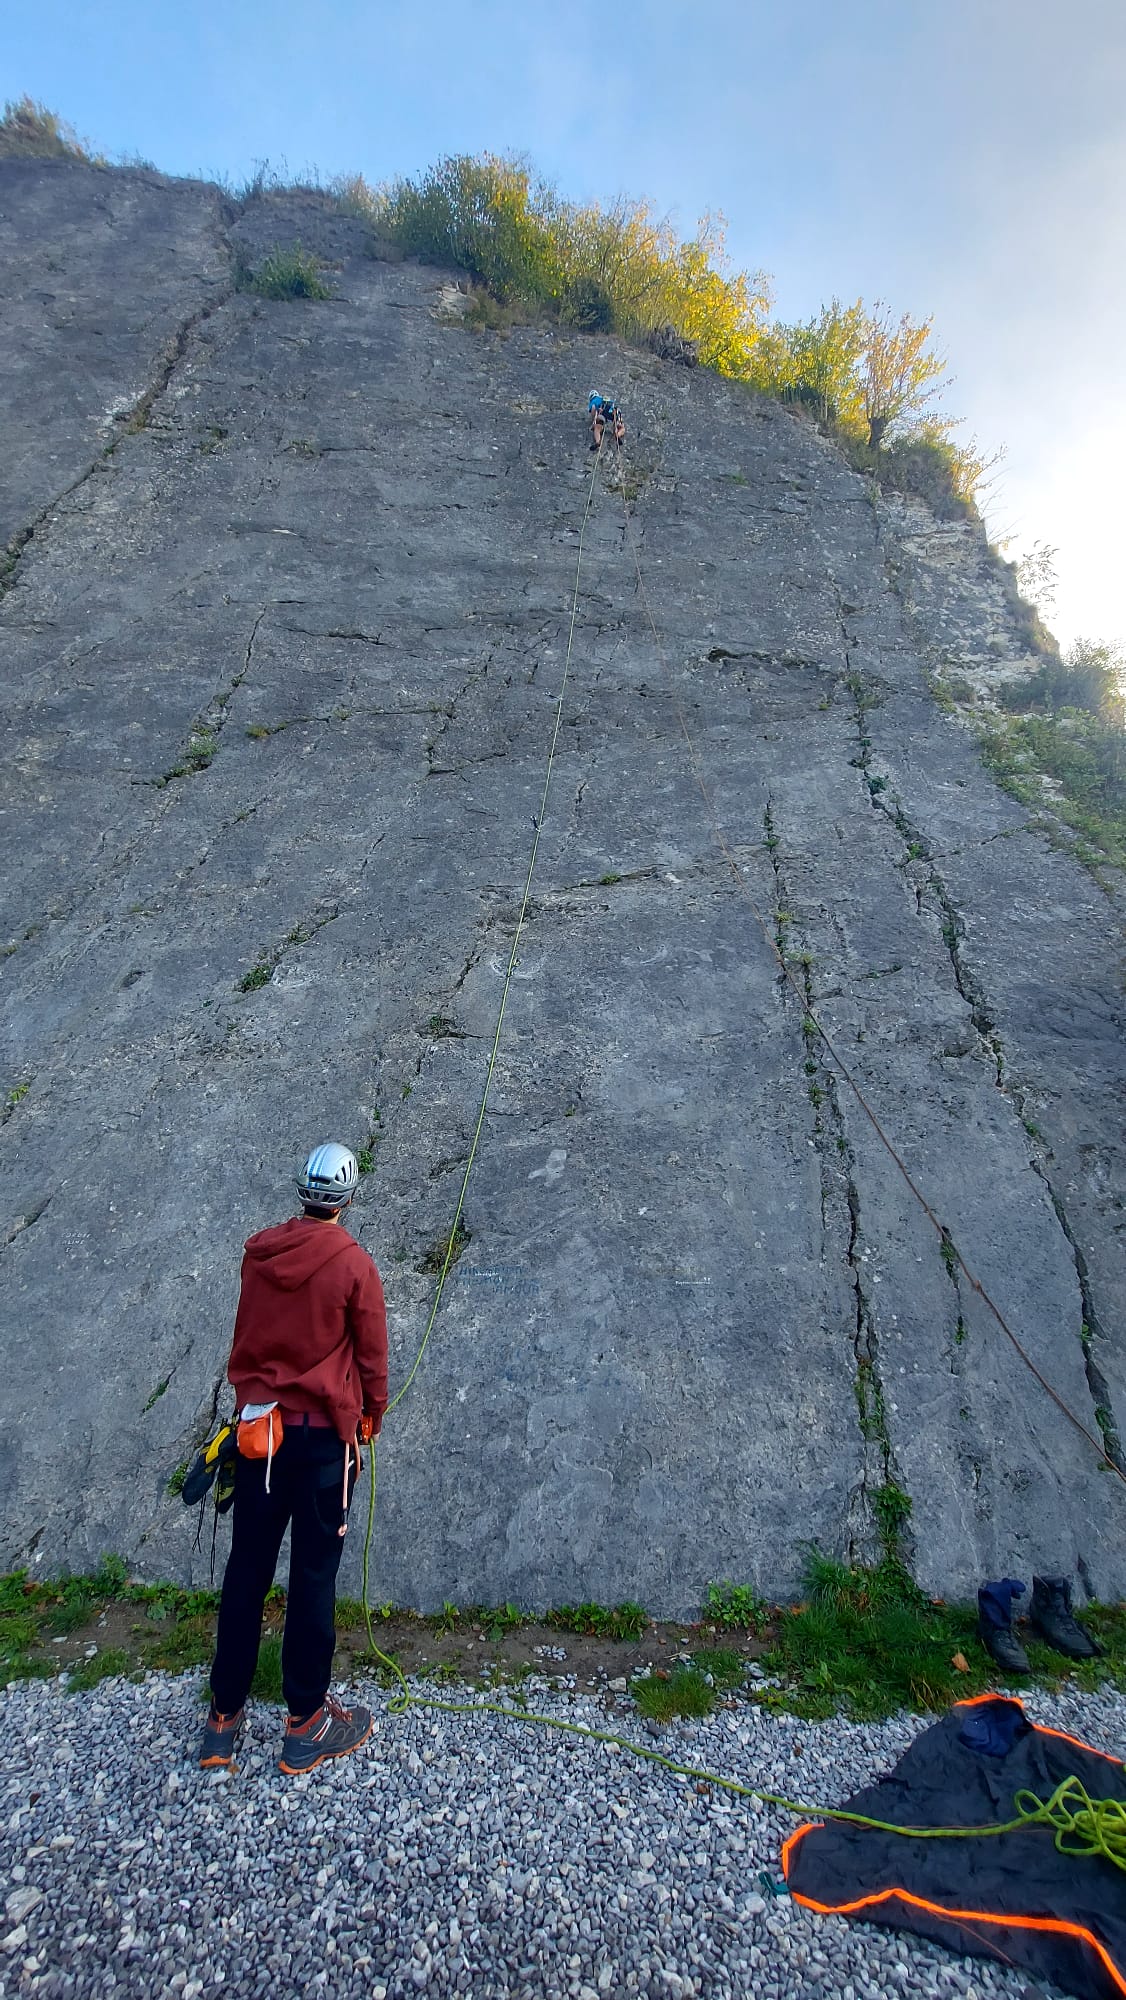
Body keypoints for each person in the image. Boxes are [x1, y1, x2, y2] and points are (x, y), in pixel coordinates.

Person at [199, 1142, 389, 1774]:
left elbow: (246, 1336)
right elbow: (372, 1356)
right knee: (312, 1577)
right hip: (318, 1446)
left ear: (301, 1190)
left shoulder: (259, 1255)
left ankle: (223, 1719)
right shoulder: (352, 1265)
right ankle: (305, 1720)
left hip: (260, 1435)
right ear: (349, 1196)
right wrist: (371, 1415)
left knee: (246, 1572)